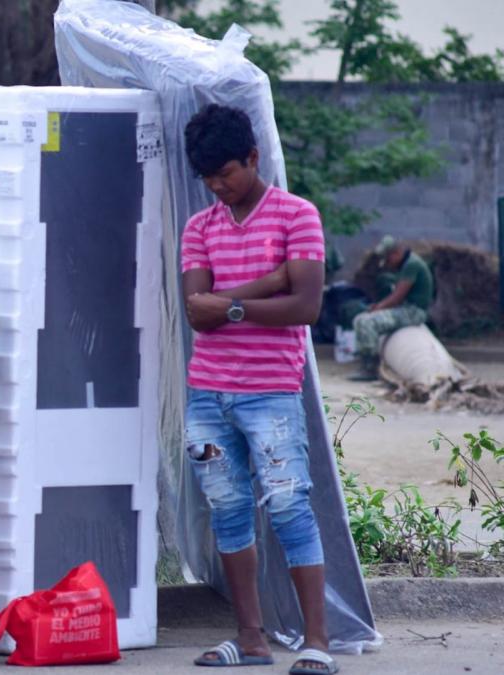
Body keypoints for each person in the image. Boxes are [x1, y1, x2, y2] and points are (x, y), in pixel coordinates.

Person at [179, 105, 337, 675]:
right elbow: (198, 314)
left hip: (270, 392)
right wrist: (269, 282)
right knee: (227, 509)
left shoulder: (298, 216)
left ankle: (316, 642)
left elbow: (306, 305)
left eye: (226, 172)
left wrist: (233, 303)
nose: (218, 187)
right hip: (208, 395)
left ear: (253, 157)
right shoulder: (199, 227)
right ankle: (250, 639)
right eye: (208, 179)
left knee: (290, 504)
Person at [348, 235, 434, 381]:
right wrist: (378, 307)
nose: (386, 263)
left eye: (387, 259)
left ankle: (370, 368)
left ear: (396, 253)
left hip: (414, 312)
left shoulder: (412, 265)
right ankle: (365, 361)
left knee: (368, 322)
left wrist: (378, 308)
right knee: (360, 319)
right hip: (405, 309)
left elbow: (397, 296)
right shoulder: (406, 264)